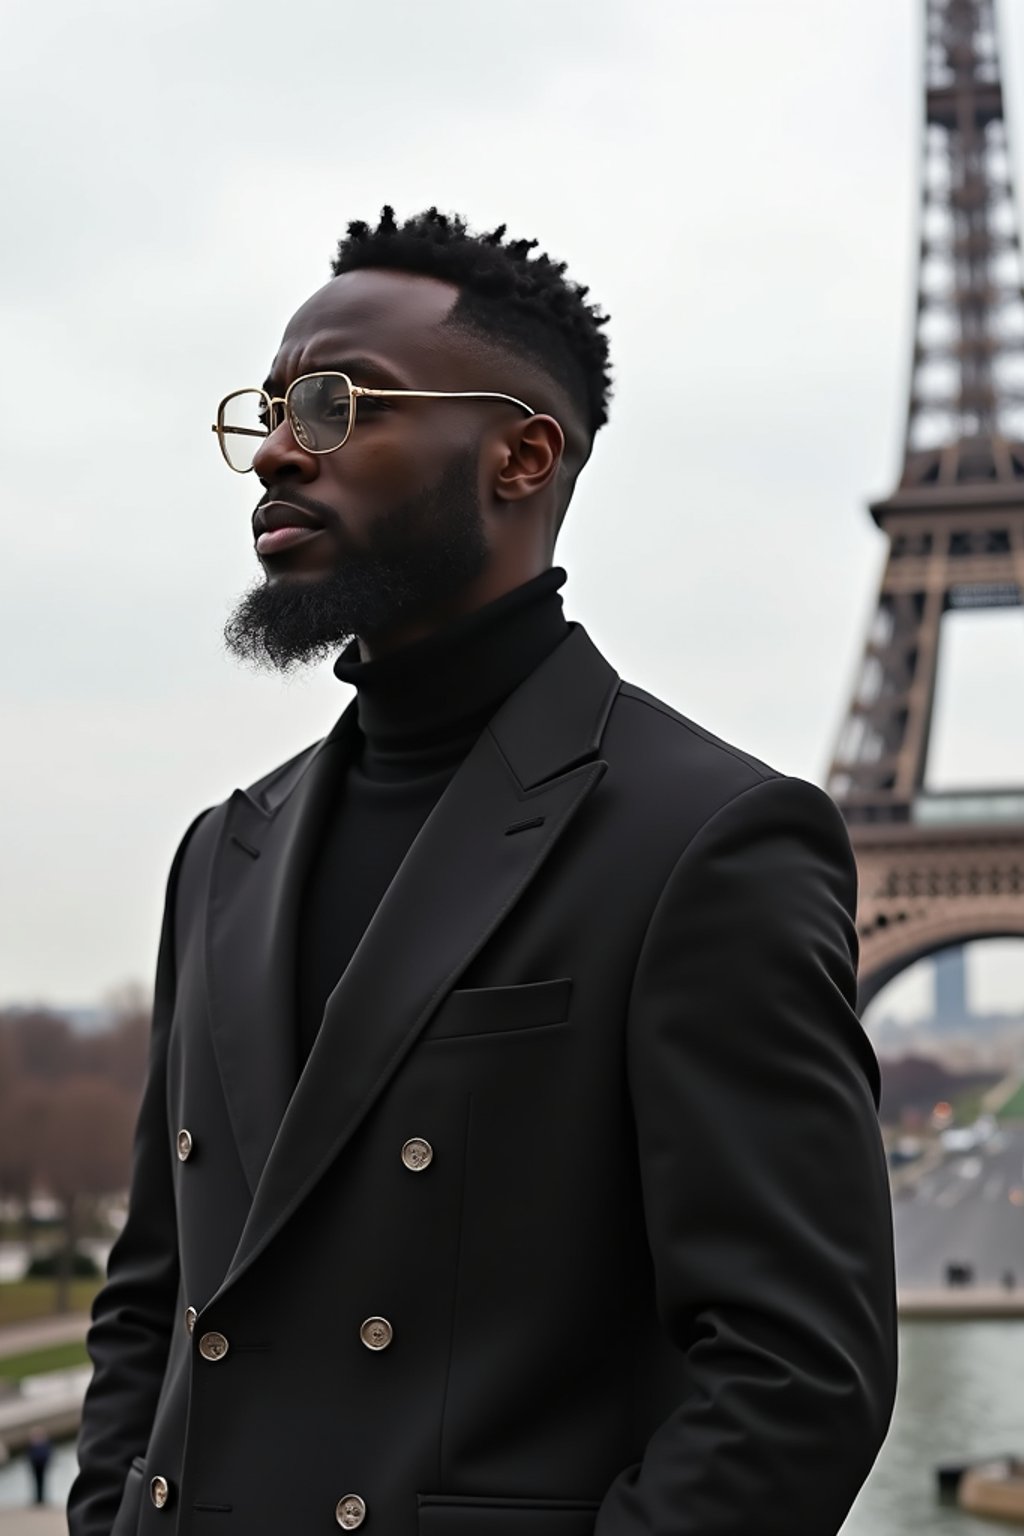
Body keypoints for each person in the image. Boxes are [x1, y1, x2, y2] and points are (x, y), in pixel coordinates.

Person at [69, 206, 897, 1536]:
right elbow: (149, 1295)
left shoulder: (707, 839)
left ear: (520, 455)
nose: (279, 450)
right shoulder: (220, 853)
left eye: (342, 404)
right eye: (273, 407)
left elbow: (795, 1379)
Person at [26, 1427, 52, 1506]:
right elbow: (29, 1455)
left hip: (41, 1466)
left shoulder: (42, 1443)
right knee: (37, 1483)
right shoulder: (34, 1444)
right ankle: (38, 1499)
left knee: (41, 1483)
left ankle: (41, 1499)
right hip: (36, 1466)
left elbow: (48, 1454)